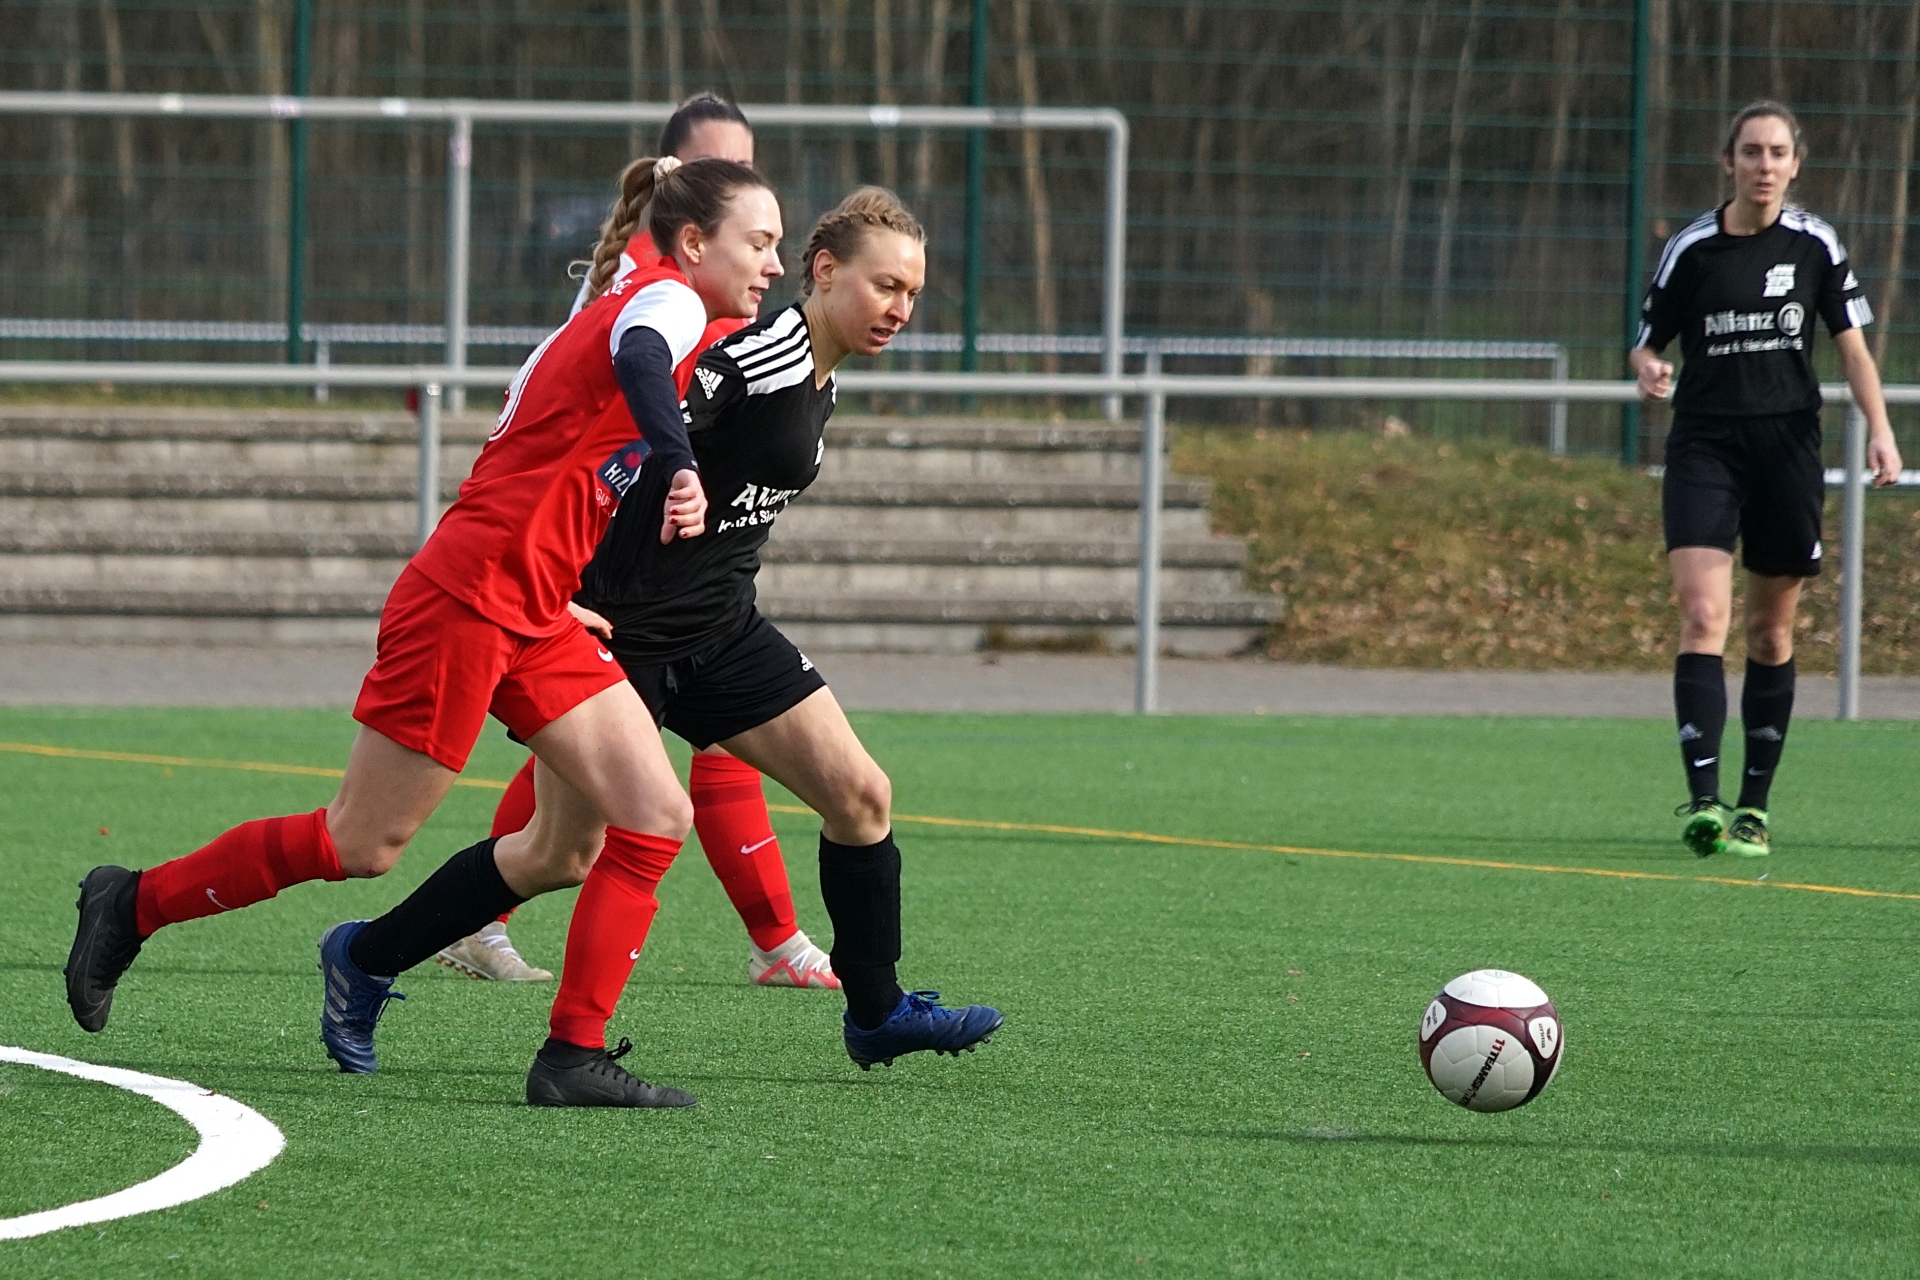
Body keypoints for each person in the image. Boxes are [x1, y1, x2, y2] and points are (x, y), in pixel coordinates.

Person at [67, 155, 782, 1112]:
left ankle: (571, 1057)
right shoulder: (667, 304)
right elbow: (644, 356)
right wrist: (677, 460)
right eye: (760, 242)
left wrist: (557, 583)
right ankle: (132, 902)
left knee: (651, 815)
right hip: (468, 601)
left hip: (533, 609)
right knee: (361, 842)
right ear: (693, 244)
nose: (772, 263)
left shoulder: (635, 290)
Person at [368, 188, 1002, 1078]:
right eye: (885, 286)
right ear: (825, 272)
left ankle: (877, 1012)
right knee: (559, 853)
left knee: (862, 798)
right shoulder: (751, 358)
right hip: (620, 638)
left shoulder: (821, 374)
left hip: (723, 631)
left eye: (913, 294)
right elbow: (621, 446)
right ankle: (365, 957)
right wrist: (561, 588)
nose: (900, 308)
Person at [437, 93, 837, 993]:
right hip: (622, 544)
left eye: (747, 161)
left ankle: (773, 940)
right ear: (683, 198)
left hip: (685, 543)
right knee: (584, 777)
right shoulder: (656, 283)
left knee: (628, 757)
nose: (740, 178)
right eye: (718, 165)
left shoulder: (722, 278)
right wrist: (679, 467)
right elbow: (632, 377)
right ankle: (456, 932)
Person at [1630, 100, 1903, 859]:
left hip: (1786, 451)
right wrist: (1649, 368)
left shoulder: (1815, 245)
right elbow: (1647, 343)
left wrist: (1881, 430)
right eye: (1751, 151)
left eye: (1777, 152)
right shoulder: (1693, 247)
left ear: (1794, 166)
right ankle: (1703, 801)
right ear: (1729, 162)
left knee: (1769, 632)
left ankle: (1754, 806)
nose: (1764, 165)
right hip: (1705, 448)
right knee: (1700, 614)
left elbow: (1853, 349)